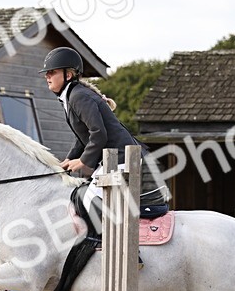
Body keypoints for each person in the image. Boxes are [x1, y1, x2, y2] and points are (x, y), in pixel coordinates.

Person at [40, 46, 169, 217]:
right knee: (82, 197)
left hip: (122, 159)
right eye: (46, 73)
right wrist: (69, 159)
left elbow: (98, 133)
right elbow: (82, 137)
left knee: (88, 201)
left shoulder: (78, 96)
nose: (46, 76)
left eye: (52, 72)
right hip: (113, 160)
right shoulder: (72, 95)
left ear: (68, 75)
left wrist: (83, 161)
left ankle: (98, 243)